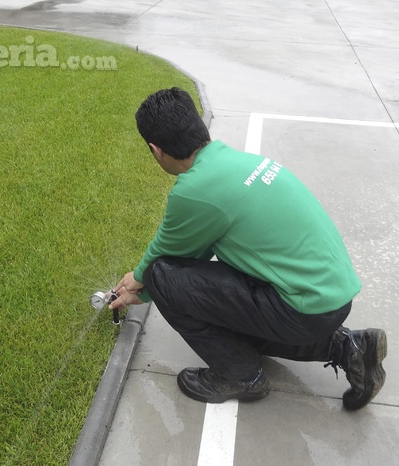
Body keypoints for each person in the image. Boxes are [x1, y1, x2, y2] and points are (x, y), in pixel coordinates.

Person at [109, 87, 387, 410]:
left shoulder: (194, 189)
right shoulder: (235, 160)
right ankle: (350, 347)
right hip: (332, 296)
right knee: (226, 307)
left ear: (156, 151)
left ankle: (242, 376)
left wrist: (141, 281)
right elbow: (191, 257)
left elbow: (165, 259)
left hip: (304, 308)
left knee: (160, 276)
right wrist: (140, 291)